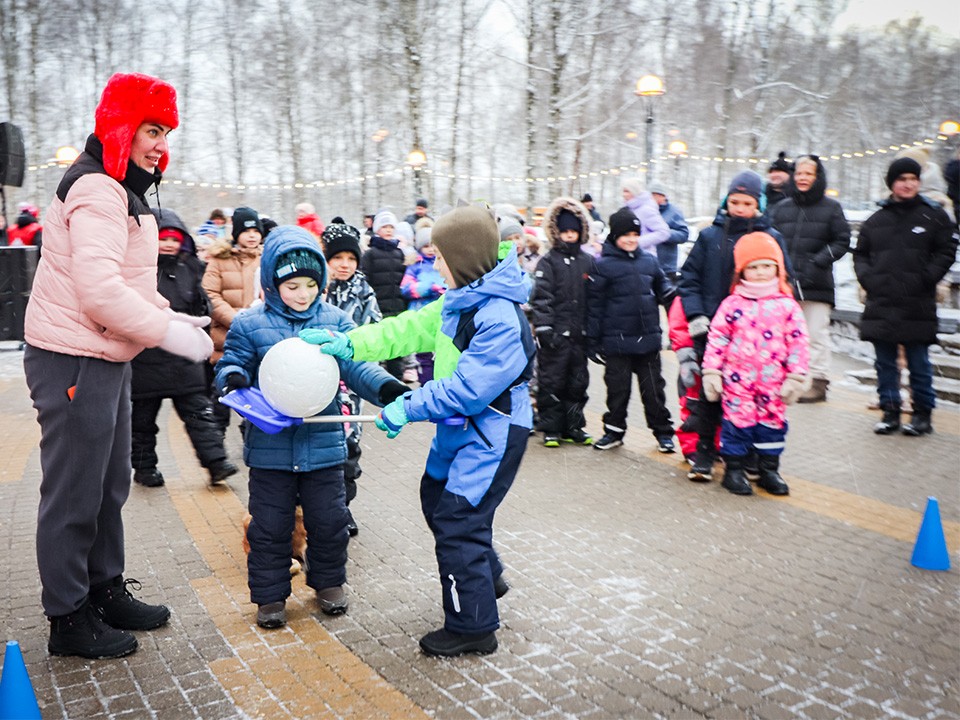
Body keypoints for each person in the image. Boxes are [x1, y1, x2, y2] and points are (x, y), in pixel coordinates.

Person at [22, 72, 213, 660]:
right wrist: (167, 334)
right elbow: (100, 293)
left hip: (106, 357)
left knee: (108, 486)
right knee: (75, 492)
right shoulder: (97, 190)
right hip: (73, 357)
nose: (160, 143)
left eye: (165, 131)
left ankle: (103, 588)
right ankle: (69, 615)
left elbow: (130, 284)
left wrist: (172, 319)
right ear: (122, 128)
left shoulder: (124, 188)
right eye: (152, 129)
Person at [300, 203, 535, 657]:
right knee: (437, 499)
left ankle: (473, 626)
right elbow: (405, 330)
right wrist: (350, 343)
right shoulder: (460, 298)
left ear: (465, 258)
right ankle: (484, 576)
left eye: (441, 256)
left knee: (458, 519)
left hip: (493, 431)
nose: (434, 264)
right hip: (459, 427)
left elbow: (469, 390)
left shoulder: (499, 318)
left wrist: (409, 405)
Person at [215, 225, 406, 629]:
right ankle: (269, 596)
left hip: (323, 444)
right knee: (269, 526)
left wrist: (387, 388)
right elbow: (232, 362)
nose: (302, 294)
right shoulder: (250, 325)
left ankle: (329, 582)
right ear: (272, 283)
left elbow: (358, 366)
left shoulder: (336, 321)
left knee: (330, 520)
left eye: (309, 284)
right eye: (291, 285)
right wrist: (232, 378)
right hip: (271, 448)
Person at [677, 170, 790, 482]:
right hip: (713, 332)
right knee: (709, 394)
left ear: (759, 204)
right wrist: (697, 318)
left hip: (761, 339)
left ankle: (750, 455)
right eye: (735, 201)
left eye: (748, 202)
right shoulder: (710, 237)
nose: (740, 208)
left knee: (757, 396)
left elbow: (784, 283)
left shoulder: (772, 239)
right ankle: (704, 451)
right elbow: (688, 281)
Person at [130, 208, 238, 488]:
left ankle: (216, 463)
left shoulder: (191, 268)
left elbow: (202, 306)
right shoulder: (136, 268)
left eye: (174, 239)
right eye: (163, 238)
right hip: (145, 357)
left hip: (183, 359)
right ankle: (145, 468)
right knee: (141, 423)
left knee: (200, 414)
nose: (169, 244)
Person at [853, 157, 958, 436]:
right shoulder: (876, 220)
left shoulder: (932, 216)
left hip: (917, 302)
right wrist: (869, 279)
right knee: (885, 363)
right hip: (882, 301)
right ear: (892, 183)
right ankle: (890, 411)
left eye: (913, 178)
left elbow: (947, 250)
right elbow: (861, 254)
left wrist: (927, 277)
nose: (908, 184)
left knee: (919, 364)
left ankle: (922, 414)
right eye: (902, 179)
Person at [701, 232, 809, 496]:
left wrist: (796, 377)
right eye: (753, 267)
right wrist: (712, 371)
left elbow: (798, 342)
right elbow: (718, 337)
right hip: (737, 381)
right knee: (737, 424)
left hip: (774, 383)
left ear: (777, 268)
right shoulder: (732, 304)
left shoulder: (787, 305)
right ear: (742, 271)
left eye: (766, 266)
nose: (760, 272)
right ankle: (734, 471)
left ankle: (769, 470)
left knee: (772, 424)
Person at [587, 207, 675, 453]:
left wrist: (671, 294)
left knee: (654, 392)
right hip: (616, 342)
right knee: (617, 392)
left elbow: (663, 287)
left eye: (635, 234)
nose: (631, 239)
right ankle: (613, 432)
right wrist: (592, 342)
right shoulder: (602, 265)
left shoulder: (649, 260)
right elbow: (595, 306)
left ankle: (664, 433)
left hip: (648, 341)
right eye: (626, 234)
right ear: (615, 236)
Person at [769, 154, 850, 403]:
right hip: (785, 282)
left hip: (817, 283)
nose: (803, 178)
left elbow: (842, 241)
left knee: (815, 335)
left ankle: (817, 381)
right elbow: (770, 239)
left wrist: (817, 261)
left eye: (809, 174)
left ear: (818, 177)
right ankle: (788, 379)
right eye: (799, 173)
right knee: (785, 335)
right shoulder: (782, 208)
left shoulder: (831, 208)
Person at [322, 218, 382, 536]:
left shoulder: (364, 292)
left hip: (351, 384)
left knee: (348, 446)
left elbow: (374, 331)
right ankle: (320, 510)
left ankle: (344, 509)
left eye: (350, 258)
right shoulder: (314, 288)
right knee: (323, 445)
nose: (344, 265)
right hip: (317, 381)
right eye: (337, 258)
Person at [529, 197, 597, 447]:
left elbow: (594, 298)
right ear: (557, 233)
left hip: (579, 336)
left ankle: (574, 426)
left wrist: (593, 329)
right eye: (566, 232)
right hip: (555, 337)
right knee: (551, 383)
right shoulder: (548, 262)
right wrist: (544, 327)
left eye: (574, 232)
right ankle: (551, 427)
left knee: (577, 383)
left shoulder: (588, 261)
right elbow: (542, 297)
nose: (570, 236)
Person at [202, 206, 264, 433]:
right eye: (246, 231)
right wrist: (236, 319)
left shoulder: (266, 259)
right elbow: (210, 294)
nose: (252, 236)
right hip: (227, 338)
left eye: (255, 231)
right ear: (236, 233)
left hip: (258, 338)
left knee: (257, 393)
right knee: (222, 392)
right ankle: (216, 438)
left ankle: (251, 430)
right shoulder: (219, 260)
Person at [361, 209, 408, 380]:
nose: (388, 230)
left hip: (398, 306)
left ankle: (397, 380)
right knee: (381, 344)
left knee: (397, 345)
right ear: (377, 229)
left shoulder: (399, 253)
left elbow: (405, 279)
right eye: (384, 226)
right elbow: (364, 277)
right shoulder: (370, 254)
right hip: (379, 306)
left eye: (391, 227)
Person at [401, 225, 446, 383]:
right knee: (424, 354)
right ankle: (426, 383)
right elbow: (406, 288)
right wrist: (428, 288)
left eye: (433, 246)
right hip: (421, 312)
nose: (430, 250)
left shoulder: (444, 263)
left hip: (442, 314)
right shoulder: (415, 267)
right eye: (426, 246)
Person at [648, 182, 690, 280]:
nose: (652, 198)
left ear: (663, 197)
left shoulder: (674, 212)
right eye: (650, 195)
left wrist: (663, 234)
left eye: (655, 195)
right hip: (646, 265)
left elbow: (684, 234)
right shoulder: (645, 210)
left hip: (666, 268)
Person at [620, 178, 670, 259]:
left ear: (634, 192)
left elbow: (664, 232)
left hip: (643, 257)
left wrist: (637, 242)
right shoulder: (626, 209)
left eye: (627, 191)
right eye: (623, 191)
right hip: (626, 256)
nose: (623, 194)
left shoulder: (646, 209)